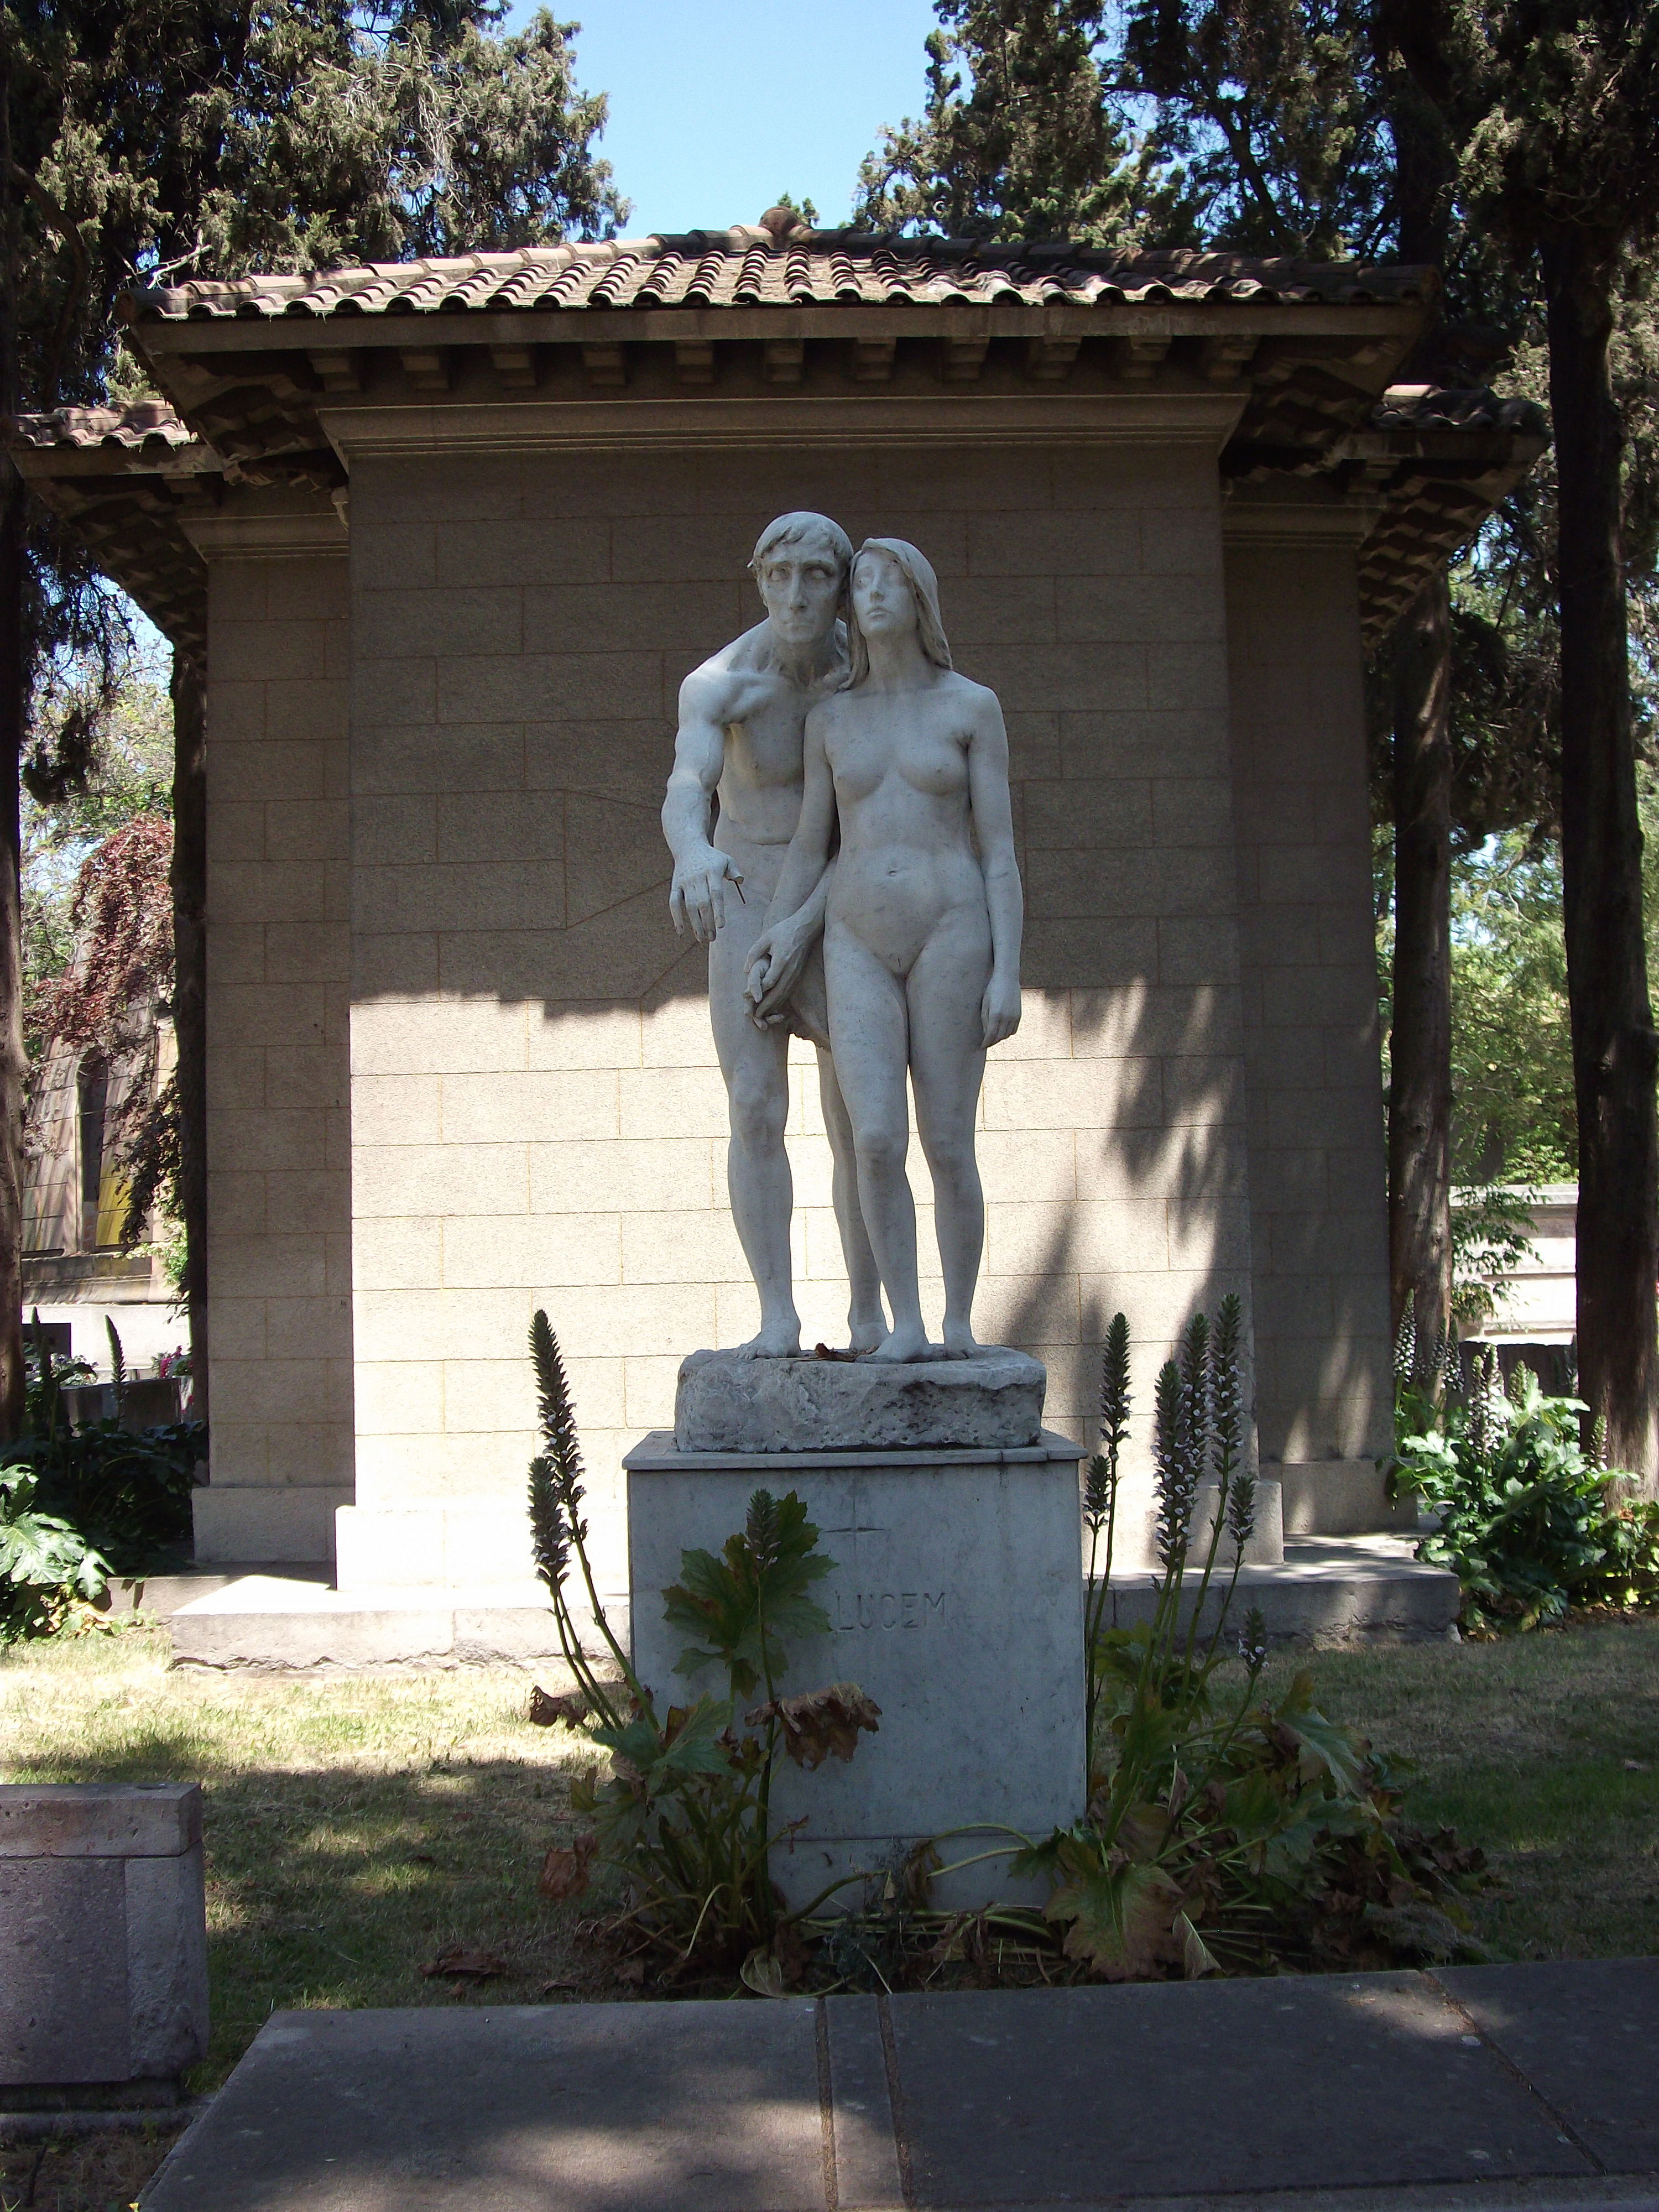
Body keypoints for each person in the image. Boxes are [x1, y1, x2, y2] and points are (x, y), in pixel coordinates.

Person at [746, 538, 1022, 1362]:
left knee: (946, 1142)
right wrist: (781, 930)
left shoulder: (971, 707)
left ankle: (959, 1321)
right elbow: (809, 843)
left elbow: (1000, 851)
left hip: (953, 928)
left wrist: (1009, 969)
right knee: (873, 1139)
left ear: (920, 598)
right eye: (859, 583)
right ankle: (903, 1322)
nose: (868, 595)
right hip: (856, 937)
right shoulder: (831, 716)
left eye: (886, 581)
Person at [661, 512, 885, 1357]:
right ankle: (777, 1317)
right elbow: (688, 783)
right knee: (755, 1104)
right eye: (779, 576)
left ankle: (871, 1317)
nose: (797, 596)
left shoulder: (865, 678)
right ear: (757, 579)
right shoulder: (719, 683)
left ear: (842, 583)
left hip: (840, 891)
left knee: (858, 1114)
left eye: (817, 577)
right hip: (749, 884)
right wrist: (692, 853)